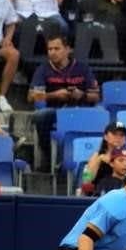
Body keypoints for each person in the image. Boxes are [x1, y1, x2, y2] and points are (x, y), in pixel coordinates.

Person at [32, 34, 101, 172]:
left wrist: (81, 95)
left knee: (101, 114)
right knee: (40, 115)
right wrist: (55, 95)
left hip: (81, 111)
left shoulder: (82, 68)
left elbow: (96, 96)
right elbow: (33, 96)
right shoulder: (43, 69)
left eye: (57, 48)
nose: (52, 52)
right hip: (56, 112)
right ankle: (48, 154)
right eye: (50, 49)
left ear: (68, 49)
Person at [81, 122, 126, 193]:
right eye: (114, 134)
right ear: (105, 137)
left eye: (122, 135)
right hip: (101, 194)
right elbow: (86, 179)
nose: (118, 137)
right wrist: (99, 160)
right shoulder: (97, 156)